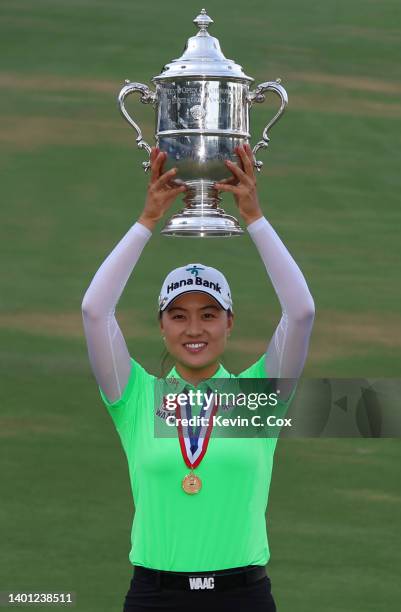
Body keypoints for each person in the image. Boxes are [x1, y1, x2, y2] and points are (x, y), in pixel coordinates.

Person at [81, 144, 315, 612]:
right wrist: (147, 221)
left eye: (208, 314)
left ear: (229, 323)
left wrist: (255, 218)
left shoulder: (258, 399)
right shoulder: (135, 397)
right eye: (178, 315)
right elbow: (94, 310)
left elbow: (302, 312)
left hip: (242, 597)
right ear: (162, 325)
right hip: (154, 596)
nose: (194, 329)